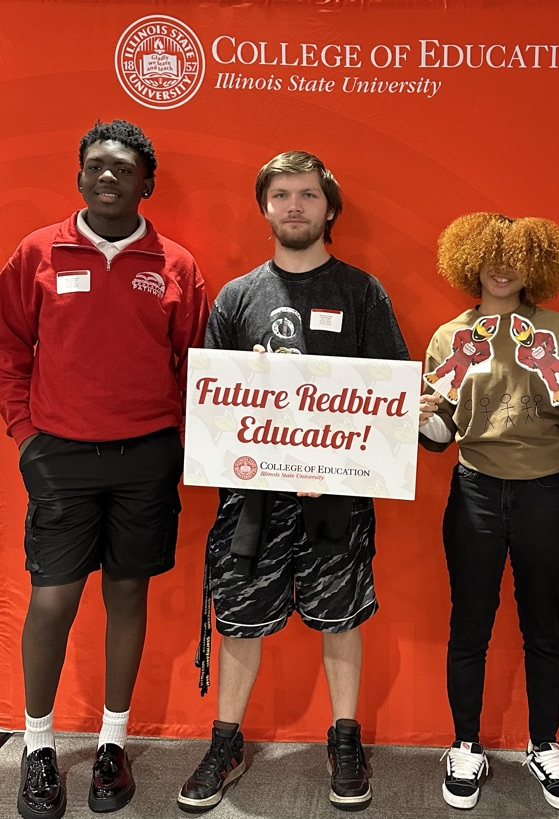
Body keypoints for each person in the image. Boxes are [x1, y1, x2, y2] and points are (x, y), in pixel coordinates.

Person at [177, 151, 409, 814]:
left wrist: (335, 464)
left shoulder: (363, 293)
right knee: (241, 622)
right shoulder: (236, 297)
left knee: (340, 616)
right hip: (252, 500)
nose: (295, 206)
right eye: (281, 194)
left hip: (336, 496)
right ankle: (227, 742)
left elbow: (390, 400)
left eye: (307, 195)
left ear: (329, 208)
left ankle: (344, 738)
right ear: (265, 206)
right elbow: (210, 410)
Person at [0, 120, 208, 818]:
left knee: (127, 596)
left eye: (123, 168)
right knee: (53, 601)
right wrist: (27, 437)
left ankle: (113, 743)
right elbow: (9, 350)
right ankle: (37, 747)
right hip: (58, 457)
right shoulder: (37, 253)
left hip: (147, 457)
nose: (108, 177)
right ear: (80, 177)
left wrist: (177, 444)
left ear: (147, 183)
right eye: (95, 166)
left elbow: (194, 365)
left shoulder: (176, 265)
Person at [418, 212, 559, 812]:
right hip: (473, 491)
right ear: (469, 260)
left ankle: (544, 743)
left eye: (517, 255)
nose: (502, 266)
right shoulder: (449, 336)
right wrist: (423, 423)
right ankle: (464, 744)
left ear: (536, 264)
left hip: (545, 492)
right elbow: (441, 434)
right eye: (491, 255)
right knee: (469, 624)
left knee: (542, 627)